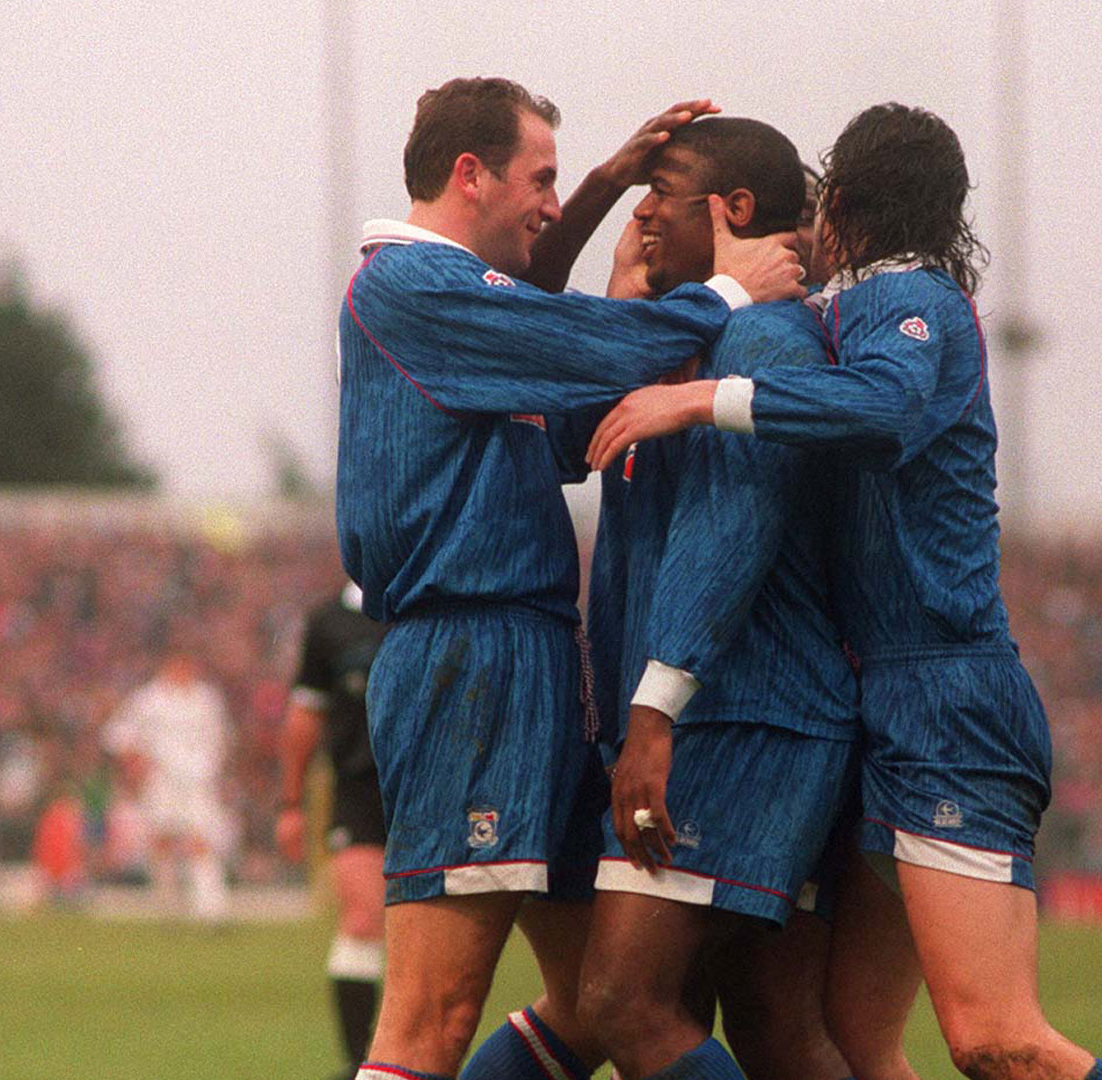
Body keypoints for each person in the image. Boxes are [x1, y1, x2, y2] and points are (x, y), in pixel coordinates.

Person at [585, 103, 1102, 1080]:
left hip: (947, 699)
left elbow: (880, 409)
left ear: (844, 201)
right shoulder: (826, 314)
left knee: (996, 1040)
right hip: (878, 701)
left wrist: (696, 396)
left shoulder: (903, 293)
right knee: (847, 1036)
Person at [336, 77, 802, 1080]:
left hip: (533, 657)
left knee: (605, 1004)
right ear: (471, 175)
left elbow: (568, 409)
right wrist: (726, 292)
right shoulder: (410, 286)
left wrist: (595, 187)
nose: (554, 205)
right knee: (433, 1014)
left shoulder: (471, 312)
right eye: (539, 179)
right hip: (469, 657)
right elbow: (584, 343)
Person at [277, 582, 392, 1078]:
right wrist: (291, 803)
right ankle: (358, 1063)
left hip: (430, 793)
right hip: (359, 792)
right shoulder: (328, 622)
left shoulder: (428, 602)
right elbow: (305, 715)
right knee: (364, 918)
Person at [103, 646, 232, 922]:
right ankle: (167, 905)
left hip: (199, 781)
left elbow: (221, 739)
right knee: (162, 841)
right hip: (161, 780)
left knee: (200, 839)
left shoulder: (206, 699)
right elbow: (117, 735)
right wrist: (136, 762)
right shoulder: (150, 699)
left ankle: (211, 909)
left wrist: (215, 771)